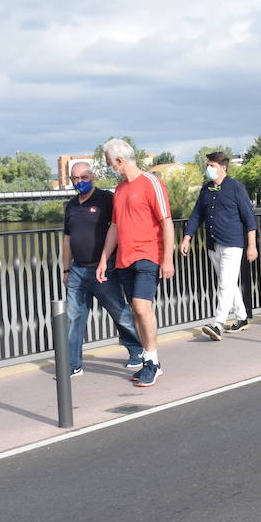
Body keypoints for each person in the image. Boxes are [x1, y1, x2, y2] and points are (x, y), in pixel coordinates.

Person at [96, 138, 174, 388]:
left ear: (120, 160)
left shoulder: (151, 183)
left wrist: (167, 259)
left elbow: (166, 222)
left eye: (109, 163)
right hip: (124, 260)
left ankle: (152, 362)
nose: (109, 167)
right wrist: (104, 259)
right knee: (136, 312)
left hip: (148, 256)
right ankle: (149, 360)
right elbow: (115, 228)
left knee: (142, 308)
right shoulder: (119, 190)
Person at [59, 160, 145, 377]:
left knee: (119, 312)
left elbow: (119, 226)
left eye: (84, 178)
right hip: (77, 270)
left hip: (103, 269)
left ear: (92, 176)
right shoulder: (71, 205)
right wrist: (66, 269)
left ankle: (137, 350)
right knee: (73, 317)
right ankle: (73, 364)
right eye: (75, 179)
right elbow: (67, 239)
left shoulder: (106, 199)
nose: (80, 182)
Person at [180, 151, 258, 342]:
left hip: (233, 243)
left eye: (212, 165)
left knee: (224, 283)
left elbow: (249, 218)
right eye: (208, 165)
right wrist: (187, 237)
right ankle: (241, 317)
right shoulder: (206, 189)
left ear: (223, 168)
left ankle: (218, 323)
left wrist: (252, 245)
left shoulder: (236, 187)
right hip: (213, 244)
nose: (208, 168)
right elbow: (196, 215)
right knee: (229, 283)